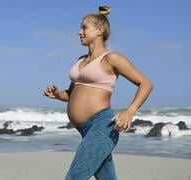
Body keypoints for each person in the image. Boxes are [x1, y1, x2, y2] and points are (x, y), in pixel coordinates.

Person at [43, 6, 153, 180]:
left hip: (102, 125)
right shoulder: (80, 60)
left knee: (74, 176)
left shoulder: (111, 58)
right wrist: (57, 94)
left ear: (100, 30)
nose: (79, 32)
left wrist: (130, 111)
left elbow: (145, 84)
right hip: (85, 129)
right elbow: (72, 94)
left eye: (84, 27)